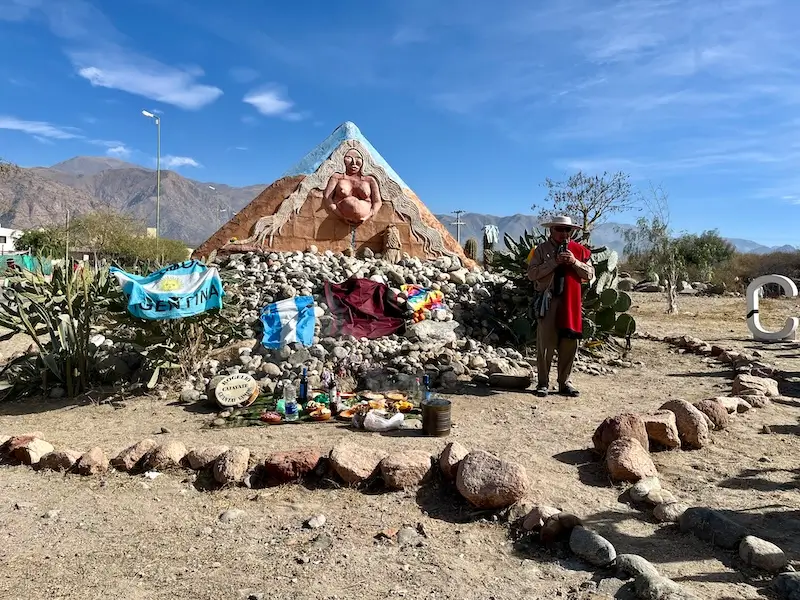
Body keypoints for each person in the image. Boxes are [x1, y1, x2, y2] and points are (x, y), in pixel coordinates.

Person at [527, 216, 594, 397]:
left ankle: (564, 383)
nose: (564, 233)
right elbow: (532, 274)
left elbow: (590, 274)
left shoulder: (580, 251)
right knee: (546, 344)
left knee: (569, 344)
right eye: (560, 229)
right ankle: (543, 383)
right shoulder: (540, 250)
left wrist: (574, 262)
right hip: (549, 302)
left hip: (571, 303)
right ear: (551, 230)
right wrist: (554, 262)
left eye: (567, 230)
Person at [322, 148, 383, 225]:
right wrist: (340, 215)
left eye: (358, 158)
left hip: (364, 219)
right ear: (341, 159)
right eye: (349, 158)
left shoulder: (370, 180)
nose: (354, 162)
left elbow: (377, 201)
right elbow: (328, 198)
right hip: (339, 221)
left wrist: (368, 215)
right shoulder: (336, 177)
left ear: (364, 161)